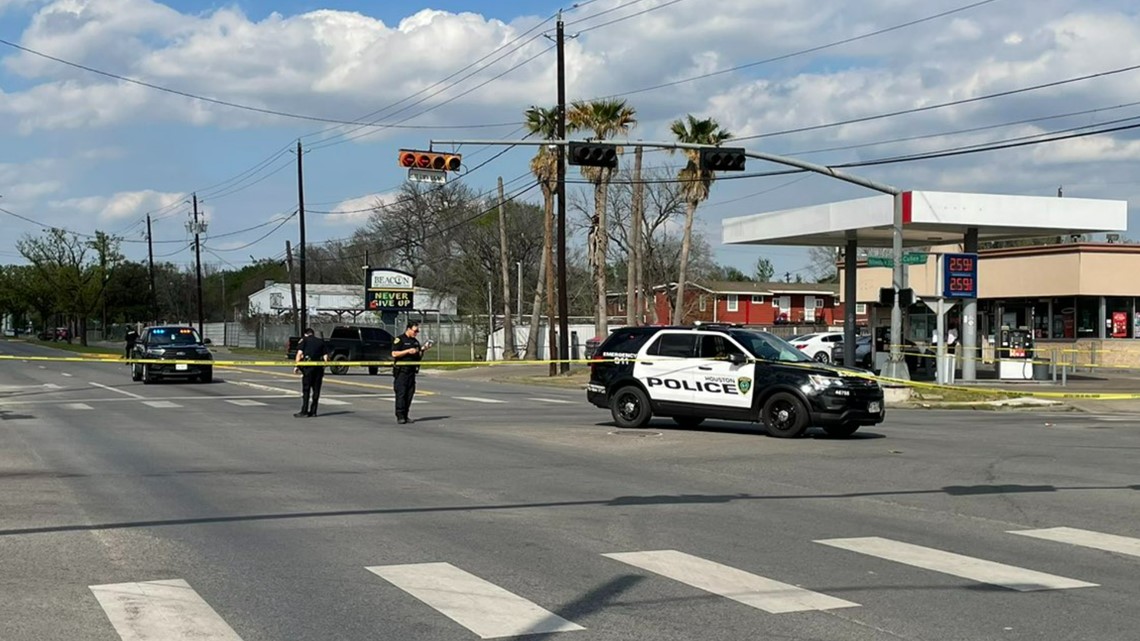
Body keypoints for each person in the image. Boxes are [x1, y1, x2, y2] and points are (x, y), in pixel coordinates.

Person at [392, 321, 432, 424]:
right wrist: (407, 351)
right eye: (415, 331)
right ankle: (400, 415)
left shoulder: (415, 342)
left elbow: (418, 356)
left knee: (410, 394)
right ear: (409, 329)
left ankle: (406, 415)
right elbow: (394, 353)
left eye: (418, 331)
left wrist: (423, 350)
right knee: (401, 394)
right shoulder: (400, 340)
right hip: (401, 372)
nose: (416, 333)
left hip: (411, 371)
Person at [293, 327, 330, 418]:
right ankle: (313, 411)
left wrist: (296, 366)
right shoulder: (321, 342)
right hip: (318, 369)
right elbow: (326, 357)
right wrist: (323, 367)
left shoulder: (304, 340)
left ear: (306, 334)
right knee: (316, 390)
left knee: (306, 390)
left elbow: (299, 354)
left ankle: (304, 411)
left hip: (308, 369)